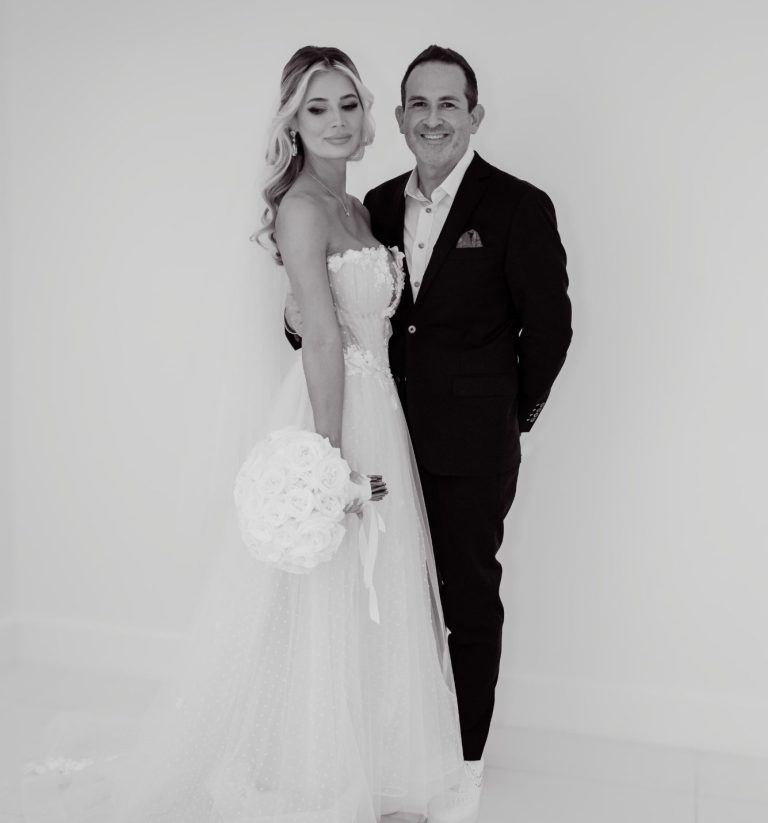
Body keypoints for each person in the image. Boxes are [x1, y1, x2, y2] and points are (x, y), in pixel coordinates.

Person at [20, 46, 463, 823]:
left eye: (347, 106)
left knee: (373, 593)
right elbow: (322, 340)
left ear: (367, 118)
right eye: (316, 108)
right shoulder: (301, 206)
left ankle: (366, 761)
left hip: (379, 406)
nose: (335, 121)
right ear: (292, 123)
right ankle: (318, 777)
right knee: (326, 587)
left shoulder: (357, 207)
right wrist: (332, 466)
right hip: (338, 415)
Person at [289, 45, 573, 823]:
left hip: (470, 447)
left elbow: (549, 330)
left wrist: (510, 417)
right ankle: (394, 756)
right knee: (385, 602)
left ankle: (468, 762)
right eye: (420, 102)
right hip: (382, 437)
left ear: (474, 116)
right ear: (403, 116)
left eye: (450, 103)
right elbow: (336, 320)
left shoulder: (519, 206)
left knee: (465, 601)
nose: (434, 117)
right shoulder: (370, 203)